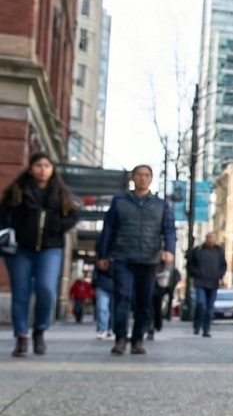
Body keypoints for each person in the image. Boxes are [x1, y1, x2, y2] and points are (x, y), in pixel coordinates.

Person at [1, 152, 79, 357]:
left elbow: (73, 214)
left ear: (52, 169)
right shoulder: (18, 191)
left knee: (46, 289)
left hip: (50, 248)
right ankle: (21, 337)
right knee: (21, 293)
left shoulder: (60, 193)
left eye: (47, 165)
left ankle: (40, 329)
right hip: (20, 250)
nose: (42, 169)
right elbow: (3, 216)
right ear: (30, 168)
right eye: (38, 165)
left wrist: (59, 227)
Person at [97, 164, 175, 356]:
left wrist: (169, 250)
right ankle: (121, 338)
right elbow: (108, 229)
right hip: (123, 257)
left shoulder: (161, 204)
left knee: (144, 302)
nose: (143, 178)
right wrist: (103, 255)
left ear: (151, 178)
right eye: (139, 175)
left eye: (147, 175)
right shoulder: (119, 202)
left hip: (149, 259)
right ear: (133, 178)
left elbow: (169, 230)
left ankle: (138, 339)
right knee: (122, 298)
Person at [186, 232, 228, 337]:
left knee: (210, 308)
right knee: (200, 303)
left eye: (212, 238)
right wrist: (196, 273)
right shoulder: (198, 250)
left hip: (213, 283)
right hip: (200, 281)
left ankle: (206, 329)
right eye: (208, 238)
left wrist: (220, 275)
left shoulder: (219, 251)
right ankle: (197, 325)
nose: (210, 240)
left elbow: (223, 265)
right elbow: (190, 264)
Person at [151, 260, 180, 338]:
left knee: (156, 306)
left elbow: (176, 276)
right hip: (156, 285)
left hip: (161, 288)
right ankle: (154, 325)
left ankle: (155, 325)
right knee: (153, 306)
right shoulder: (168, 266)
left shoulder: (170, 267)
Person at [92, 260, 113, 340]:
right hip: (103, 285)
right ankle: (103, 329)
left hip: (110, 285)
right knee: (103, 308)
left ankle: (107, 329)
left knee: (108, 309)